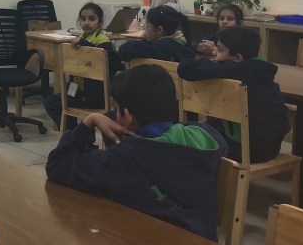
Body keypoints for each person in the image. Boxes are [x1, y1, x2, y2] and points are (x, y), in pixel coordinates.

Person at [45, 65, 227, 241]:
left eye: (116, 109)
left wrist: (89, 121)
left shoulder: (120, 160)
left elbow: (57, 164)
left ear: (128, 117)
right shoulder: (203, 136)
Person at [178, 27, 290, 163]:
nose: (216, 54)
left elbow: (185, 68)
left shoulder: (234, 69)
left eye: (220, 50)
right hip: (270, 146)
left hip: (246, 149)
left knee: (187, 133)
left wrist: (206, 59)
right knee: (207, 126)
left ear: (237, 57)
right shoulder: (260, 66)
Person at [42, 2, 123, 129]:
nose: (86, 23)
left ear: (100, 22)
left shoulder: (103, 42)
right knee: (52, 101)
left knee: (53, 103)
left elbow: (112, 64)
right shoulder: (80, 38)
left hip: (95, 95)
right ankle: (76, 133)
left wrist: (85, 44)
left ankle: (76, 134)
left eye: (91, 19)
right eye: (83, 19)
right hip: (79, 90)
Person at [118, 5, 195, 63]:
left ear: (159, 30)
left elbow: (124, 50)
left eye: (147, 24)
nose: (144, 28)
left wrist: (143, 40)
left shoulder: (162, 46)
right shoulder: (180, 41)